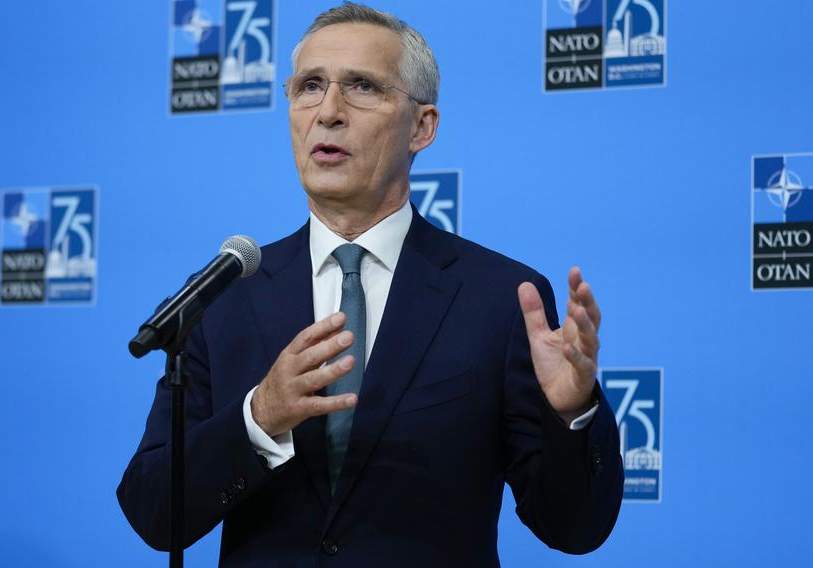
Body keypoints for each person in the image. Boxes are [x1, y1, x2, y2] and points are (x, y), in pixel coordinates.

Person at [118, 3, 623, 565]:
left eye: (361, 87)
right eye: (309, 86)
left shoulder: (501, 300)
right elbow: (153, 512)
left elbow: (576, 528)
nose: (328, 112)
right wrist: (259, 417)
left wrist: (571, 414)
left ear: (423, 126)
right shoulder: (225, 296)